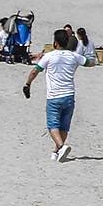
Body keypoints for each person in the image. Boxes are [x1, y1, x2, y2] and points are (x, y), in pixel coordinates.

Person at [23, 27, 86, 162]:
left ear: (55, 43)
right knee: (64, 126)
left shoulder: (49, 56)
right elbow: (89, 62)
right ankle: (56, 152)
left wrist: (27, 84)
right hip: (69, 96)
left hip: (54, 96)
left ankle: (61, 146)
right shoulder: (74, 56)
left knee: (53, 125)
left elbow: (35, 71)